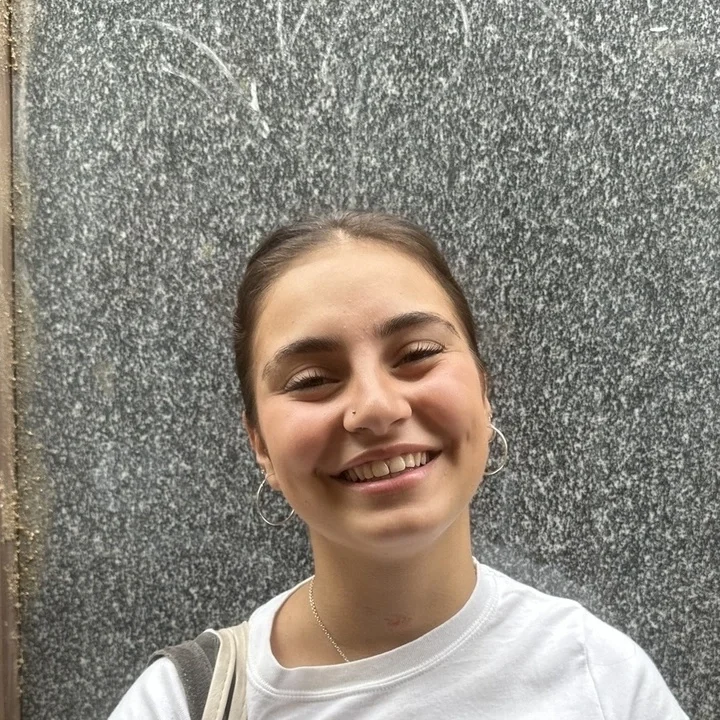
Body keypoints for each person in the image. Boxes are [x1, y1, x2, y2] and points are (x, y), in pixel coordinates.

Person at [109, 211, 687, 719]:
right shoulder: (183, 703)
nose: (377, 408)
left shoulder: (601, 677)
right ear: (260, 444)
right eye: (311, 380)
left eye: (417, 354)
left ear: (484, 392)